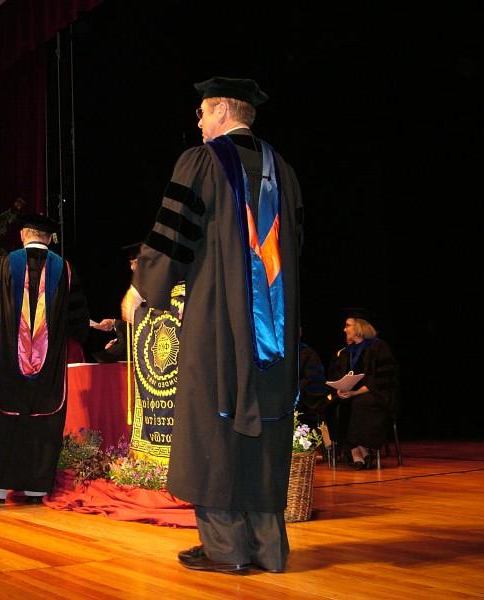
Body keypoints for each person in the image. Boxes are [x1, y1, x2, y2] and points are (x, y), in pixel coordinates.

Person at [122, 76, 303, 574]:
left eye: (202, 112)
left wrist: (141, 287)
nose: (197, 122)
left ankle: (227, 549)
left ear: (222, 109)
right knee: (265, 428)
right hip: (276, 331)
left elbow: (173, 238)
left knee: (213, 422)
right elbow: (296, 247)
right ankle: (268, 549)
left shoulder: (200, 162)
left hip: (216, 322)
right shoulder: (283, 171)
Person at [0, 213, 89, 503]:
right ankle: (35, 490)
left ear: (23, 235)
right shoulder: (66, 270)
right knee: (42, 420)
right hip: (49, 369)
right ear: (49, 238)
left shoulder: (5, 265)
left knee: (2, 418)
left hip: (8, 365)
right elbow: (77, 323)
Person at [325, 313, 398, 469]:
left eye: (348, 325)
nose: (345, 329)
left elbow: (383, 379)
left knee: (361, 403)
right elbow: (340, 376)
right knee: (333, 404)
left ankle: (361, 450)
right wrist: (340, 390)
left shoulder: (378, 347)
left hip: (376, 395)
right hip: (351, 394)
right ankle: (355, 451)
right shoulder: (346, 352)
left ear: (359, 327)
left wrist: (355, 393)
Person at [90, 242, 141, 363]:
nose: (132, 268)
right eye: (130, 263)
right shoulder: (137, 288)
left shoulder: (158, 288)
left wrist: (117, 328)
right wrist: (114, 325)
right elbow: (136, 324)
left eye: (135, 262)